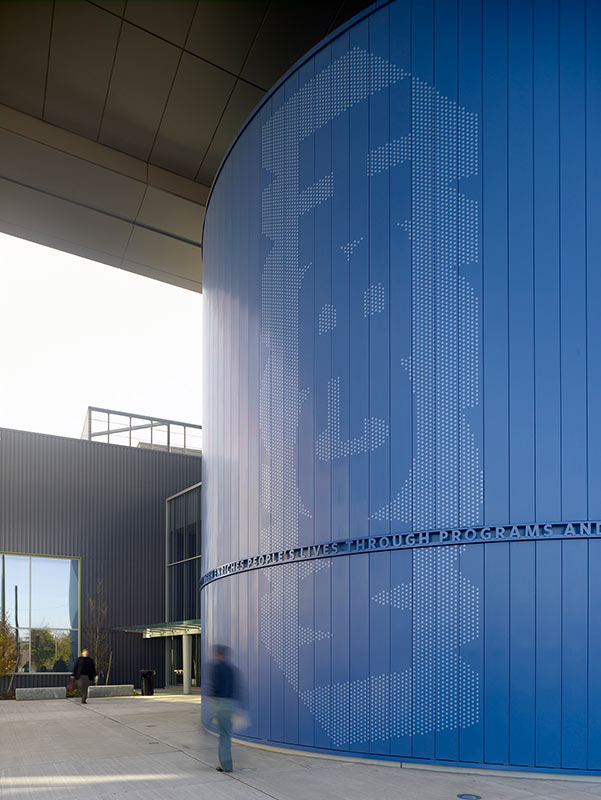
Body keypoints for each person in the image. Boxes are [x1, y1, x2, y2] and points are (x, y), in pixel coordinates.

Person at [206, 644, 239, 773]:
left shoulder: (216, 667)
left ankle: (226, 766)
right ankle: (227, 764)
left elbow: (214, 685)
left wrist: (212, 696)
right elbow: (235, 688)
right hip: (230, 704)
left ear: (217, 654)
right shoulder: (231, 669)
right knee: (226, 734)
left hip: (220, 704)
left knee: (223, 735)